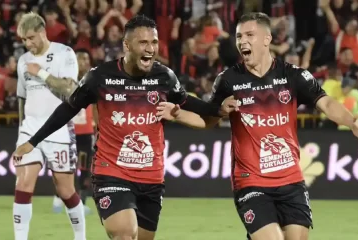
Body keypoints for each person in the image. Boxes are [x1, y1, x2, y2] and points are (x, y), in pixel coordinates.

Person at [13, 15, 237, 240]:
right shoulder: (99, 77)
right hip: (111, 173)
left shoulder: (164, 77)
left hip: (151, 177)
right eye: (143, 43)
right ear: (127, 46)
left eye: (154, 43)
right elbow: (67, 110)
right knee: (124, 233)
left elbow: (189, 102)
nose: (150, 49)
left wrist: (218, 109)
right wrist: (33, 140)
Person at [155, 12, 358, 240]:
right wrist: (178, 114)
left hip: (291, 179)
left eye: (250, 35)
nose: (243, 41)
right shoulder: (229, 80)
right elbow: (208, 119)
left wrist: (352, 122)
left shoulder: (293, 76)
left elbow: (326, 103)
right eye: (239, 36)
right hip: (251, 182)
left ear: (267, 39)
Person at [13, 12, 86, 240]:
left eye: (31, 38)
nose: (28, 44)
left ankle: (80, 236)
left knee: (65, 190)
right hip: (30, 129)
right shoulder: (23, 60)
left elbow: (69, 89)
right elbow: (21, 99)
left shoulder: (65, 53)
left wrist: (42, 73)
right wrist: (20, 133)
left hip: (59, 129)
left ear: (43, 32)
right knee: (24, 183)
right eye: (24, 40)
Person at [52, 49, 95, 214]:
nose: (84, 62)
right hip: (67, 130)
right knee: (65, 166)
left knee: (84, 167)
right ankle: (58, 196)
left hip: (86, 132)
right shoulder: (66, 80)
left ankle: (81, 203)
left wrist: (97, 126)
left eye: (86, 58)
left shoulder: (93, 81)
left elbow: (97, 106)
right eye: (80, 58)